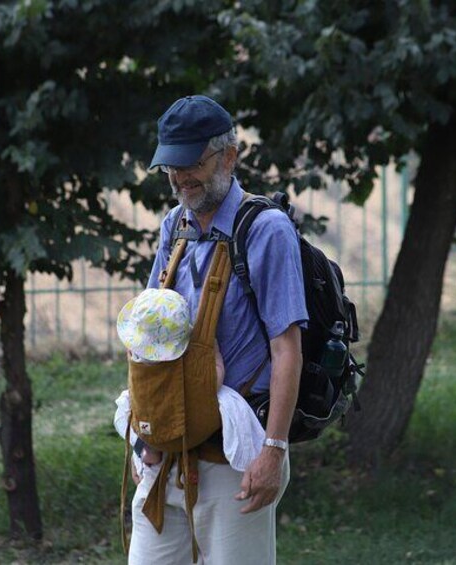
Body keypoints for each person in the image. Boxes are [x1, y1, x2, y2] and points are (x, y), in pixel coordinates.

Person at [127, 95, 307, 564]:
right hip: (167, 449)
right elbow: (149, 336)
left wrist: (273, 452)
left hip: (235, 458)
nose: (181, 177)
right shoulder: (175, 225)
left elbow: (287, 350)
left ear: (229, 156)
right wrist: (146, 434)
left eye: (193, 163)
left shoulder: (267, 230)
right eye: (171, 166)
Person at [113, 288, 265, 472]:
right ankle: (248, 455)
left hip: (147, 421)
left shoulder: (136, 356)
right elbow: (213, 383)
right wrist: (215, 354)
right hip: (180, 428)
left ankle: (147, 448)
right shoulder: (186, 370)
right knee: (231, 401)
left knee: (125, 405)